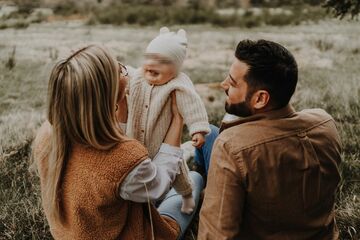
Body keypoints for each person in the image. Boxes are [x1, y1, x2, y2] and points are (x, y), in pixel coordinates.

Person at [31, 44, 203, 240]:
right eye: (120, 70)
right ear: (107, 93)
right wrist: (176, 121)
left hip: (70, 233)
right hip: (136, 234)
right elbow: (158, 186)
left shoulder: (48, 134)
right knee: (195, 179)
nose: (126, 73)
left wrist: (121, 104)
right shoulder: (121, 159)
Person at [197, 39, 342, 239]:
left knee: (209, 139)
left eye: (232, 82)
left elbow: (215, 235)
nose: (223, 85)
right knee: (211, 132)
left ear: (260, 99)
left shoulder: (231, 146)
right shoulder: (325, 123)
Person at [125, 27, 210, 214]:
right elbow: (125, 75)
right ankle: (145, 202)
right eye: (149, 57)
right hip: (135, 142)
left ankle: (188, 196)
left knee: (178, 173)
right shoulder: (138, 76)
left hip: (163, 144)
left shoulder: (178, 84)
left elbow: (192, 104)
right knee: (139, 173)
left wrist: (198, 129)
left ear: (177, 68)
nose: (153, 63)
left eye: (163, 61)